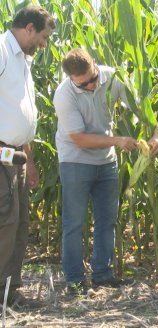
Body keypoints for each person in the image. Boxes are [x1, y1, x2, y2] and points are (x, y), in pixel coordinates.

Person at [53, 48, 158, 296]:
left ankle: (102, 275)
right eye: (83, 85)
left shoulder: (112, 77)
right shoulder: (64, 95)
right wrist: (117, 141)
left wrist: (155, 133)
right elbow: (80, 139)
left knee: (107, 220)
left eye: (92, 80)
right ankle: (75, 282)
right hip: (75, 162)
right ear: (72, 79)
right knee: (75, 223)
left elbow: (141, 107)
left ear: (94, 64)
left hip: (106, 163)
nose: (91, 87)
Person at [0, 5, 55, 308]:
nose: (44, 44)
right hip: (1, 154)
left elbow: (22, 115)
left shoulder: (23, 59)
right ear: (29, 28)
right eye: (44, 36)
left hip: (17, 155)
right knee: (5, 221)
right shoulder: (2, 51)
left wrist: (29, 159)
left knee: (18, 222)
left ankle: (10, 291)